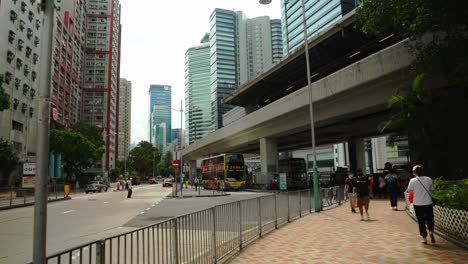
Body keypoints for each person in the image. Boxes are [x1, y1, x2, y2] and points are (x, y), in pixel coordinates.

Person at [406, 165, 435, 244]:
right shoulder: (429, 179)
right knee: (430, 219)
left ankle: (424, 238)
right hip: (428, 203)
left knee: (421, 221)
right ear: (422, 171)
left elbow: (409, 191)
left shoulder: (413, 180)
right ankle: (431, 231)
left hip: (418, 204)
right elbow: (432, 189)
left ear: (414, 172)